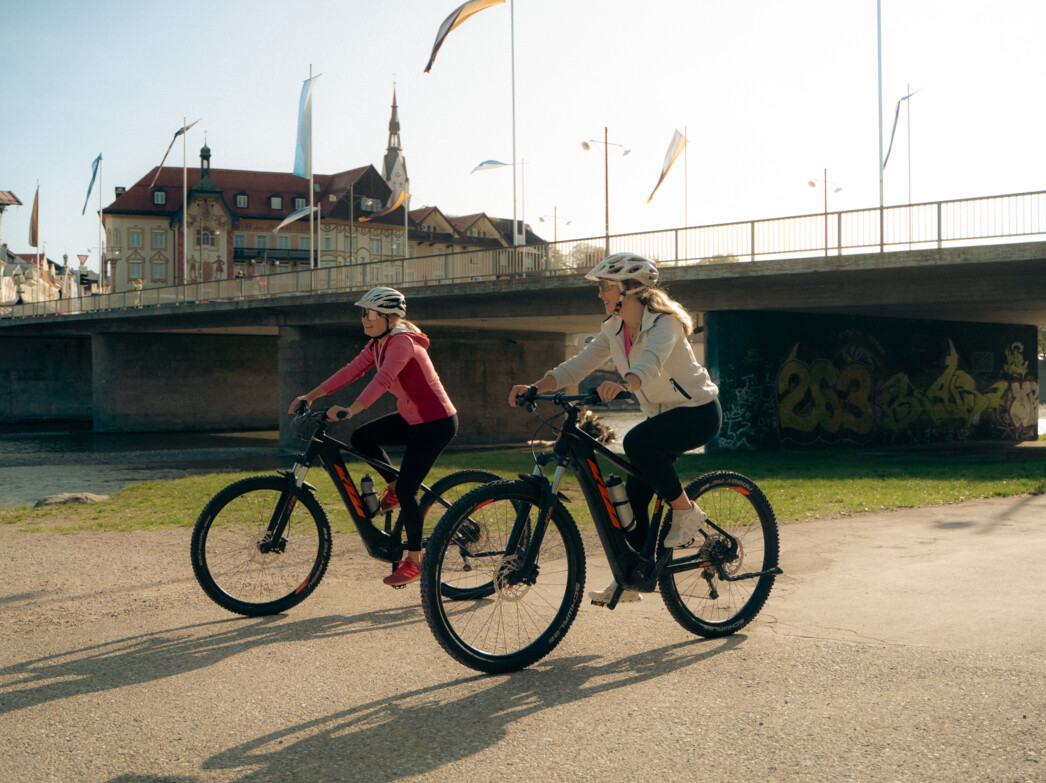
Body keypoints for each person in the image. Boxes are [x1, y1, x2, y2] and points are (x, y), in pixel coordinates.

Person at [508, 253, 722, 605]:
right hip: (662, 419)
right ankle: (631, 580)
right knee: (631, 508)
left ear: (629, 290)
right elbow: (577, 366)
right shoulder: (614, 329)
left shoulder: (664, 323)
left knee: (637, 442)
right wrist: (535, 387)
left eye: (605, 287)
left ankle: (685, 511)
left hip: (697, 413)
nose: (600, 295)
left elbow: (651, 361)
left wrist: (627, 382)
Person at [288, 286, 458, 587]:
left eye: (372, 313)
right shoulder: (377, 344)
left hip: (436, 422)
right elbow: (351, 371)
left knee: (408, 491)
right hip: (412, 417)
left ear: (390, 318)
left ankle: (415, 560)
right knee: (362, 439)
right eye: (363, 313)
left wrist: (351, 409)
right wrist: (310, 395)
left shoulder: (402, 343)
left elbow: (383, 379)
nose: (365, 319)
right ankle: (393, 488)